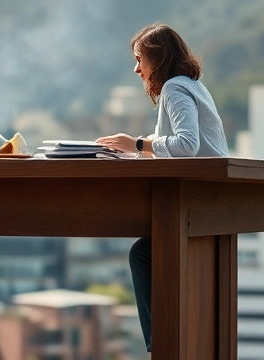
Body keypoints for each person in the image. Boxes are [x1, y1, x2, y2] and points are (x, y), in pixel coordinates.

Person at [96, 22, 229, 352]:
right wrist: (135, 146)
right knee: (149, 252)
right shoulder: (192, 85)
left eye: (140, 59)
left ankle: (162, 343)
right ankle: (168, 339)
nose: (136, 68)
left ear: (158, 58)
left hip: (199, 198)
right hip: (212, 195)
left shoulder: (174, 89)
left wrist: (138, 144)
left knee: (142, 254)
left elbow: (187, 144)